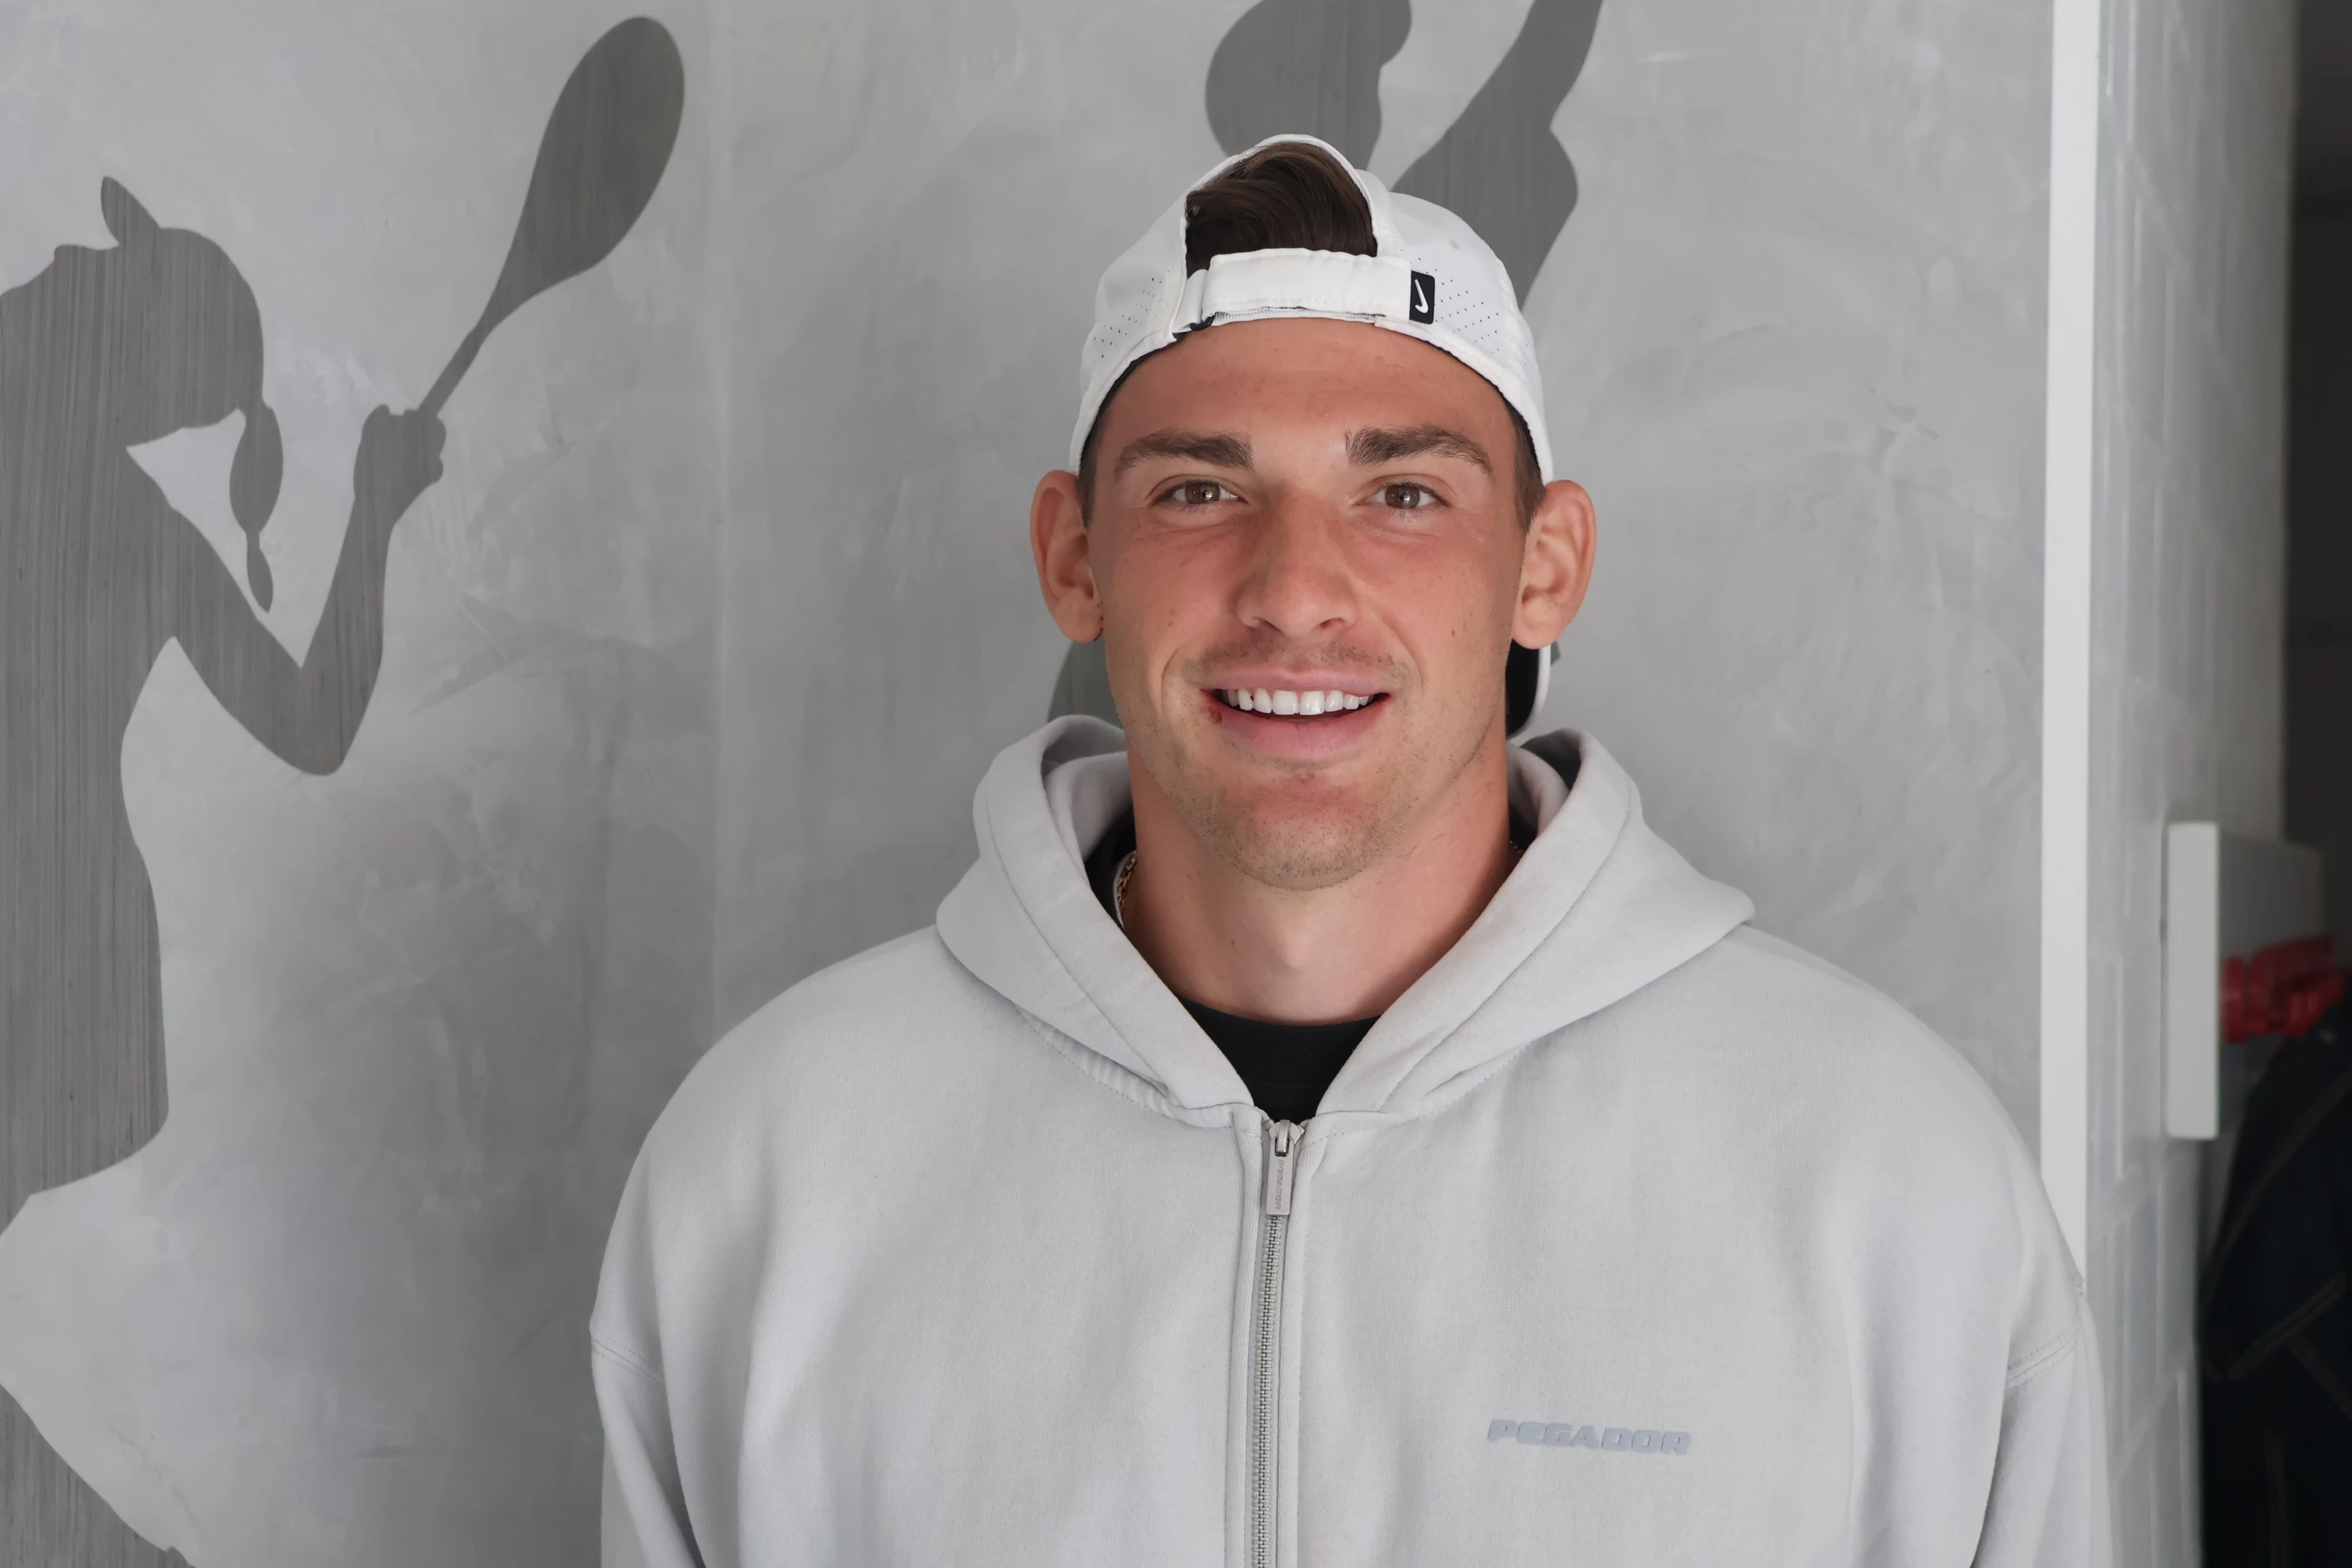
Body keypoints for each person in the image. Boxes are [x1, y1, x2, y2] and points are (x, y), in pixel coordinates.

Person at [593, 136, 2110, 1565]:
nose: (1295, 588)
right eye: (1200, 489)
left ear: (1544, 567)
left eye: (1402, 493)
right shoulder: (773, 1172)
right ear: (1073, 556)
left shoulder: (1887, 1181)